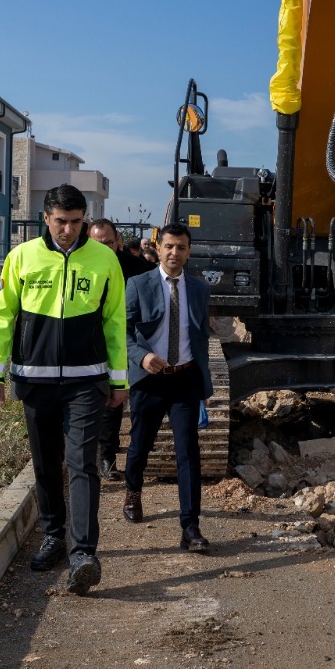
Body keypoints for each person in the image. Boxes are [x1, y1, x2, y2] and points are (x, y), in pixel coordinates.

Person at [0, 185, 128, 594]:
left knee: (82, 463)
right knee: (46, 464)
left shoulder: (105, 260)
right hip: (35, 378)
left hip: (87, 381)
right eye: (61, 221)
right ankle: (53, 536)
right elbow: (2, 316)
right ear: (46, 217)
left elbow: (115, 323)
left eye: (76, 222)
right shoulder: (22, 257)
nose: (68, 229)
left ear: (85, 220)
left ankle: (83, 552)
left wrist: (119, 381)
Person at [122, 222, 213, 551]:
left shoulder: (200, 290)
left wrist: (203, 382)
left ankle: (190, 526)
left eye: (182, 248)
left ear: (189, 252)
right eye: (169, 246)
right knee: (139, 445)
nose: (175, 253)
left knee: (188, 452)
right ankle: (133, 491)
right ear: (158, 248)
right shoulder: (138, 285)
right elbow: (124, 332)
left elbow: (200, 338)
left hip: (185, 379)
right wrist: (142, 357)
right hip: (149, 380)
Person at [87, 219, 152, 483]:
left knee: (140, 402)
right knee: (110, 404)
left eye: (108, 243)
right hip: (100, 343)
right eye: (96, 243)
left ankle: (140, 456)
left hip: (134, 342)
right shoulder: (83, 267)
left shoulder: (138, 268)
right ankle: (107, 457)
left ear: (118, 242)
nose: (103, 248)